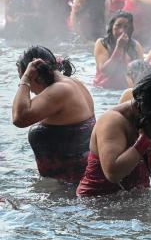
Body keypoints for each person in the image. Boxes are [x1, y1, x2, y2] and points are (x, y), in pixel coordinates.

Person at [77, 72, 151, 196]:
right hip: (99, 202)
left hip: (135, 197)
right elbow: (113, 174)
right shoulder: (112, 121)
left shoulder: (150, 117)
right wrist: (146, 138)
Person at [12, 46, 95, 183]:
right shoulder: (73, 83)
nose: (29, 90)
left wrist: (25, 79)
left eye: (24, 82)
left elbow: (19, 118)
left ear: (34, 74)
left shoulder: (60, 90)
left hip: (71, 187)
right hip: (75, 180)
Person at [94, 11, 144, 89]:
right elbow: (105, 72)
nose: (121, 31)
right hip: (104, 89)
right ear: (111, 26)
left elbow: (142, 72)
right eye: (118, 26)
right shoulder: (102, 43)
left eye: (126, 27)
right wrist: (119, 48)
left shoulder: (135, 46)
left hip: (128, 88)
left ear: (130, 29)